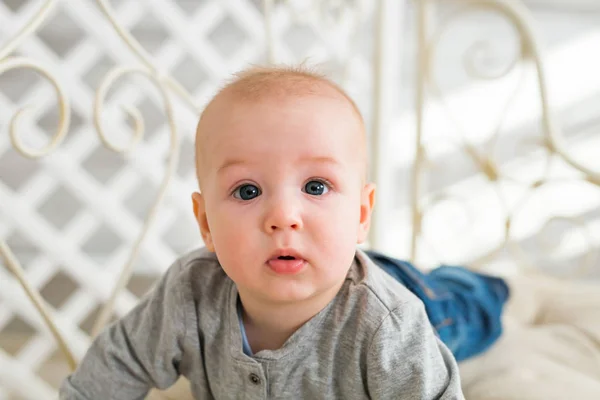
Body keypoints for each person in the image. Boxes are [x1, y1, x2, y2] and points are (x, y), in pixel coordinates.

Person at [60, 65, 504, 399]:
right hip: (332, 261)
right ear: (206, 223)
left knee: (468, 307)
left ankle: (489, 284)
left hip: (418, 296)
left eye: (316, 186)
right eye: (248, 190)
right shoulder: (189, 295)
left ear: (362, 212)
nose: (283, 217)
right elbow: (115, 366)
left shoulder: (391, 326)